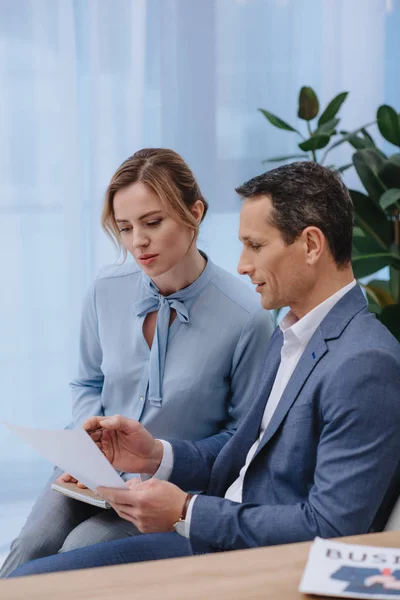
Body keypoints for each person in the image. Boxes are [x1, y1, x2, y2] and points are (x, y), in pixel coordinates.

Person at [9, 161, 400, 578]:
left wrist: (185, 509)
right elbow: (244, 454)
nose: (243, 264)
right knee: (25, 568)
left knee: (40, 579)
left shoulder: (364, 363)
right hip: (214, 529)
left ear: (310, 245)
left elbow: (331, 529)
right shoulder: (293, 335)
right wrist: (154, 454)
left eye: (255, 245)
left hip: (240, 555)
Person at [0, 148, 273, 578]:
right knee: (30, 545)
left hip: (165, 489)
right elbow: (87, 383)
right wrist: (90, 449)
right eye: (125, 228)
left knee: (78, 551)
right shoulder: (105, 290)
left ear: (195, 213)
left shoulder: (247, 318)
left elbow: (242, 437)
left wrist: (155, 465)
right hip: (89, 471)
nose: (137, 242)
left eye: (152, 222)